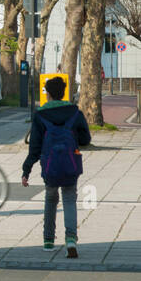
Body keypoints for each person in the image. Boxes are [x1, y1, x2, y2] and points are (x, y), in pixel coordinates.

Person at [22, 75, 89, 258]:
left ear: (48, 93)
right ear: (63, 92)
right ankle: (71, 239)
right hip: (69, 164)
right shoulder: (75, 112)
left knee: (51, 199)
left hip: (49, 166)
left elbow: (34, 147)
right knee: (69, 199)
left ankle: (48, 241)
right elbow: (86, 139)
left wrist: (26, 170)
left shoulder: (40, 115)